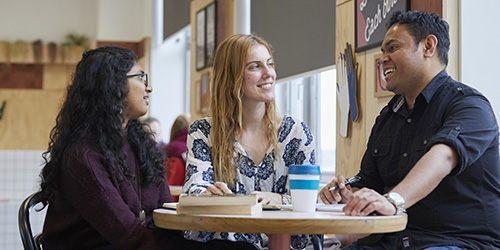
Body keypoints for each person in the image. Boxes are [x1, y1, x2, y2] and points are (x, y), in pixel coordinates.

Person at [38, 46, 256, 250]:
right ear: (112, 85)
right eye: (141, 78)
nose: (149, 87)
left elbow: (163, 212)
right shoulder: (83, 156)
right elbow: (128, 235)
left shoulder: (136, 142)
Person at [319, 11, 500, 249]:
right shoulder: (388, 116)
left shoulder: (469, 105)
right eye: (382, 51)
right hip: (389, 241)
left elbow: (443, 157)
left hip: (456, 242)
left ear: (428, 46)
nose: (382, 58)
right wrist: (349, 192)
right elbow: (369, 180)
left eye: (392, 48)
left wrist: (394, 201)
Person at [182, 34, 317, 249]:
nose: (269, 73)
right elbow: (194, 189)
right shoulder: (204, 132)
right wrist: (208, 194)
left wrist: (278, 199)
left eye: (270, 64)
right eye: (255, 66)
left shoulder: (296, 132)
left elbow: (307, 201)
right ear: (231, 76)